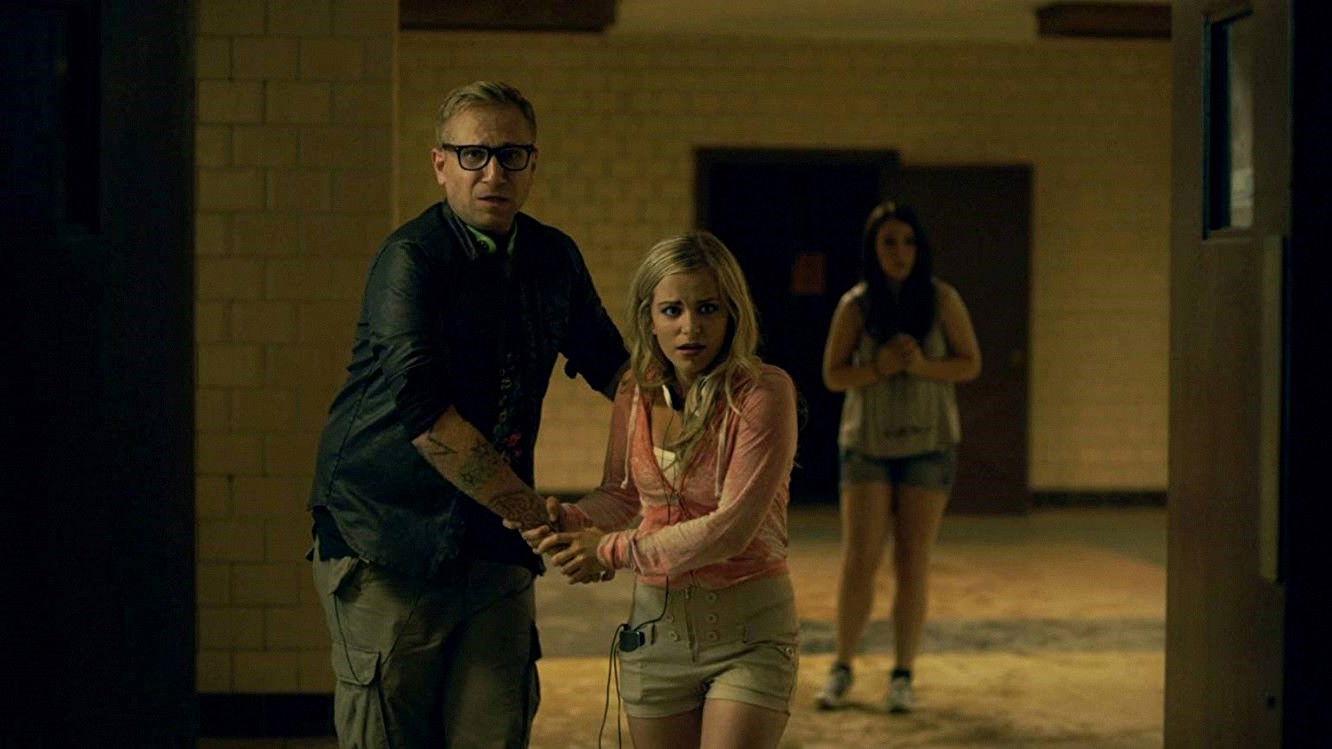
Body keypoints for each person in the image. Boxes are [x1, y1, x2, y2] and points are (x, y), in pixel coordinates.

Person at [306, 81, 628, 748]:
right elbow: (429, 420)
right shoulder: (412, 258)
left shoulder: (553, 258)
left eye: (512, 155)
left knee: (495, 728)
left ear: (533, 164)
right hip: (386, 536)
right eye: (473, 154)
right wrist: (542, 521)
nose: (493, 173)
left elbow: (615, 369)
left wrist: (710, 415)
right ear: (440, 164)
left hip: (492, 544)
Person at [520, 231, 800, 748]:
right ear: (649, 317)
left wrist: (609, 550)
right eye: (672, 310)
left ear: (732, 313)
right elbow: (620, 495)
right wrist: (569, 521)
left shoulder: (763, 392)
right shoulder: (637, 390)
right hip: (656, 631)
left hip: (748, 632)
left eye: (707, 308)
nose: (690, 327)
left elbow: (731, 529)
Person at [814, 200, 981, 713]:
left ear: (920, 247)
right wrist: (880, 368)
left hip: (928, 445)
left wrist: (924, 366)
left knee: (912, 560)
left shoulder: (943, 299)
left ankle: (903, 673)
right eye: (889, 242)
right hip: (867, 445)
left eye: (908, 241)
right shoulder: (855, 305)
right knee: (860, 558)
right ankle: (842, 665)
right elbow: (832, 375)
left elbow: (969, 363)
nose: (900, 252)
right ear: (873, 248)